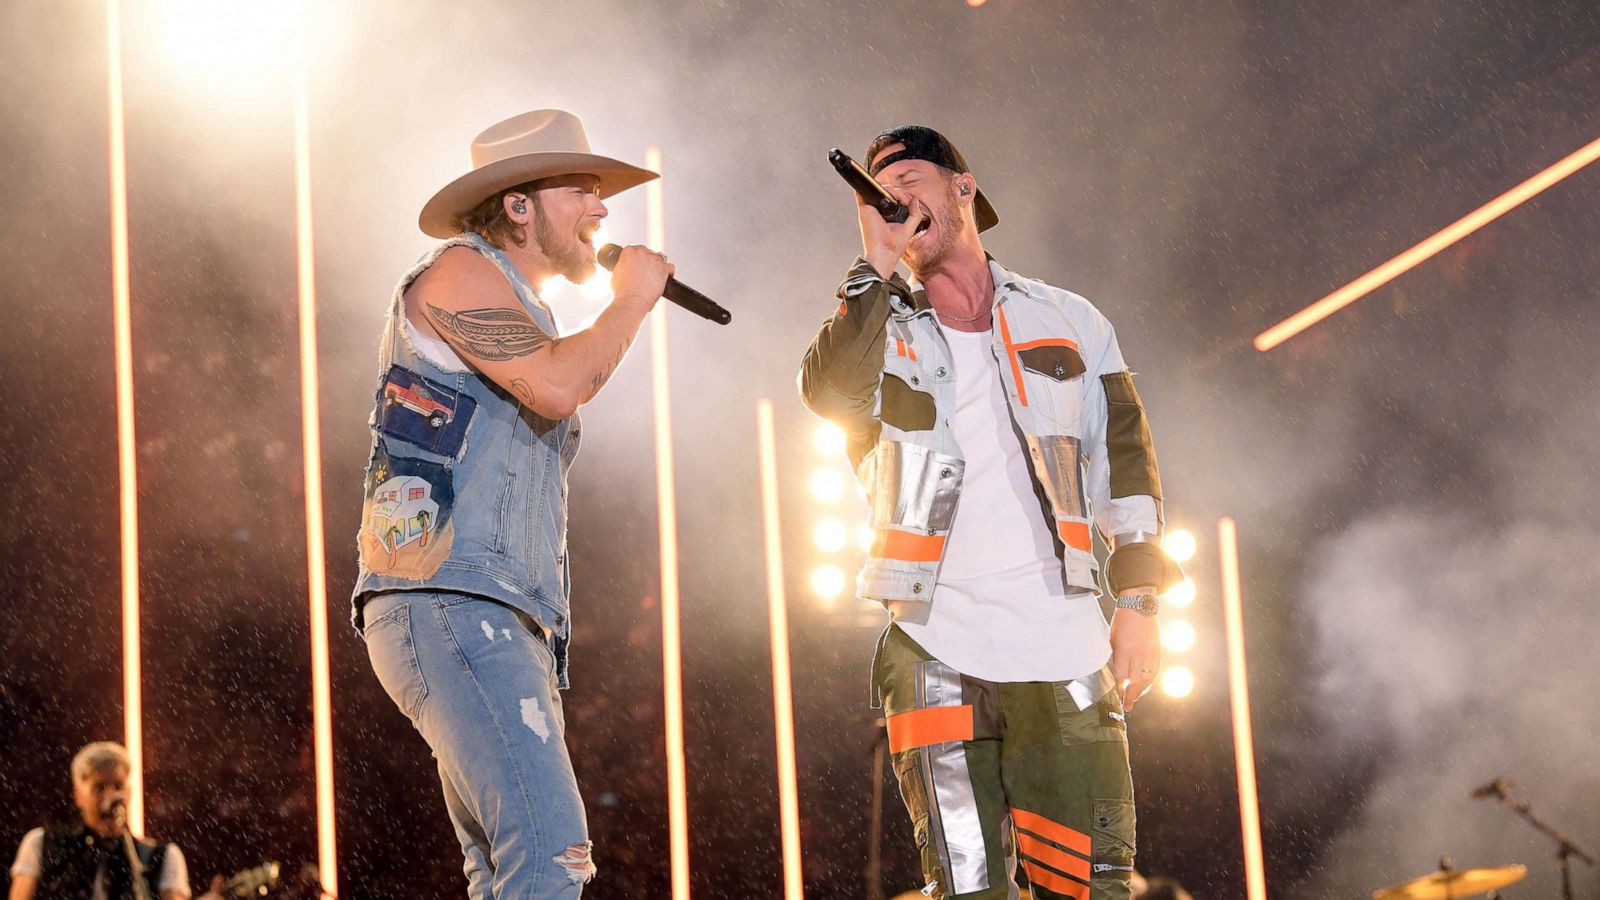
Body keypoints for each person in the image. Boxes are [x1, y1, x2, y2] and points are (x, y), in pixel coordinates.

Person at [799, 126, 1184, 900]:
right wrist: (874, 264)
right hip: (934, 650)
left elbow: (1130, 468)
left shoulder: (1071, 319)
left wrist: (1140, 601)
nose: (895, 200)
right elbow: (828, 392)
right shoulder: (880, 332)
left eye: (910, 179)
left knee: (1095, 891)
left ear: (963, 189)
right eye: (878, 193)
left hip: (1068, 652)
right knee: (966, 891)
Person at [350, 109, 672, 898]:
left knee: (506, 864)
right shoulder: (455, 271)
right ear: (519, 206)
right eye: (581, 190)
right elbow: (561, 385)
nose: (600, 210)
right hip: (453, 601)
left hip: (492, 609)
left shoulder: (530, 313)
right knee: (550, 847)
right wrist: (630, 301)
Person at [7, 741, 221, 900]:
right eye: (99, 788)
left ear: (129, 793)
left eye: (118, 787)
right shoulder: (41, 844)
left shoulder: (160, 857)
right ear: (79, 795)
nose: (110, 797)